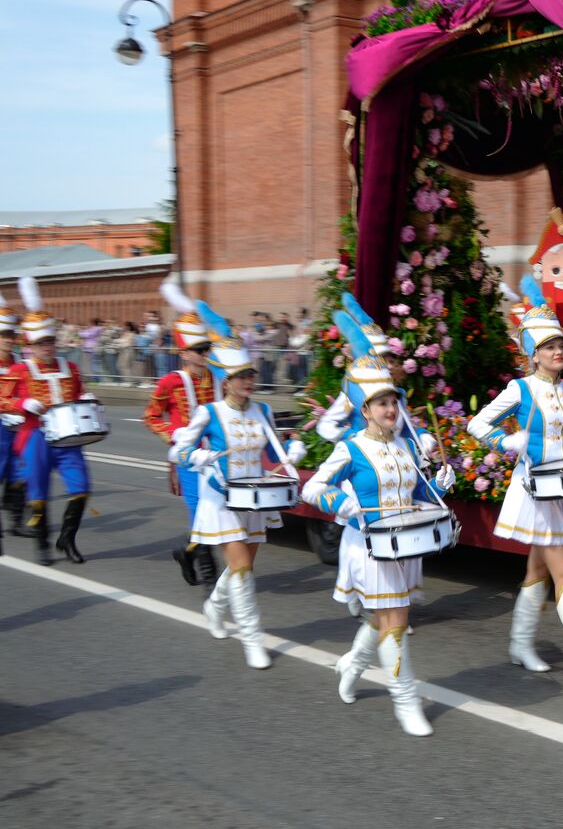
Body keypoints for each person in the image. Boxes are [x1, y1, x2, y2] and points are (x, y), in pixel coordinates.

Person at [302, 311, 455, 737]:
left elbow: (418, 496)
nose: (391, 409)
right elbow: (312, 489)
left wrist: (437, 485)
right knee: (397, 622)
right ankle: (405, 700)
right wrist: (343, 503)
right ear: (364, 409)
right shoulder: (350, 449)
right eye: (382, 403)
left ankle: (352, 664)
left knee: (383, 620)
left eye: (394, 401)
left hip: (407, 544)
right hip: (369, 546)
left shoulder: (408, 445)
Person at [467, 278, 563, 689]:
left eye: (562, 346)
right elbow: (477, 423)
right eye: (550, 347)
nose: (559, 352)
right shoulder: (519, 389)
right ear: (533, 355)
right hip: (537, 489)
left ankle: (520, 644)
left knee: (537, 569)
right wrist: (507, 441)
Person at [172, 300, 306, 669]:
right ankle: (252, 637)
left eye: (250, 373)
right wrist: (195, 457)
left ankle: (214, 608)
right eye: (241, 375)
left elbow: (277, 444)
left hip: (257, 498)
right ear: (225, 380)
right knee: (242, 570)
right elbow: (179, 450)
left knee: (240, 567)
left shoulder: (262, 410)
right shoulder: (209, 412)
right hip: (223, 499)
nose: (249, 380)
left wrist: (293, 450)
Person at [2, 278, 98, 565]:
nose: (47, 346)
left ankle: (66, 539)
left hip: (69, 437)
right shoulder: (20, 370)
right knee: (38, 491)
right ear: (30, 344)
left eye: (50, 341)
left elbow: (78, 391)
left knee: (80, 488)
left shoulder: (69, 367)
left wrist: (86, 397)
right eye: (41, 342)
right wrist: (23, 403)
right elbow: (2, 399)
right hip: (34, 436)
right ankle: (42, 544)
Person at [145, 281, 221, 587]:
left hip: (216, 454)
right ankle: (209, 574)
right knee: (200, 511)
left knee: (218, 513)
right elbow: (150, 416)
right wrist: (173, 435)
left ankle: (187, 553)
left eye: (207, 348)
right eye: (199, 350)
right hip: (188, 457)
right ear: (184, 352)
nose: (205, 354)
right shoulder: (170, 382)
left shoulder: (218, 379)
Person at [315, 292, 437, 458]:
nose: (388, 366)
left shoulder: (398, 395)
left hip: (396, 462)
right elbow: (325, 426)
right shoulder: (354, 393)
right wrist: (352, 437)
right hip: (364, 460)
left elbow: (403, 427)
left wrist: (422, 434)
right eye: (382, 361)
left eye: (389, 361)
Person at [0, 293, 28, 554]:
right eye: (3, 336)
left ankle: (17, 521)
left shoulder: (18, 364)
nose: (8, 341)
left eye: (10, 336)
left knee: (21, 472)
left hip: (14, 425)